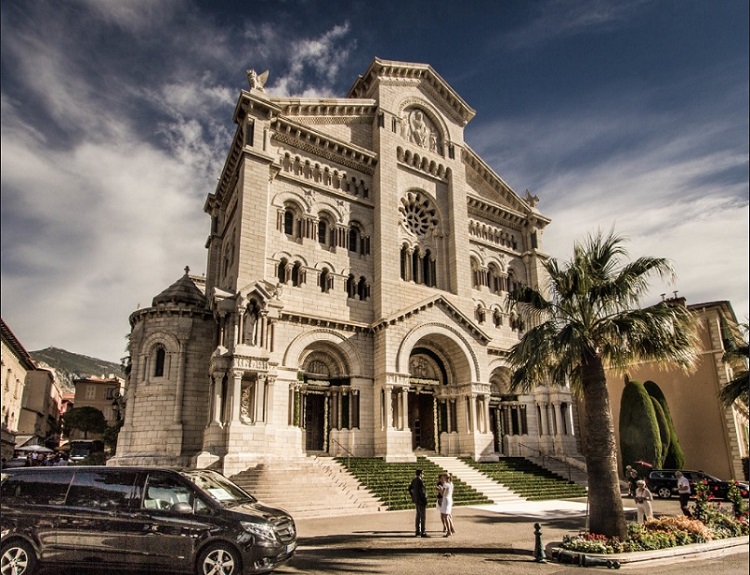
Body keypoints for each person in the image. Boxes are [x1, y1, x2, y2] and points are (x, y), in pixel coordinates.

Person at [408, 469, 429, 537]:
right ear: (420, 474)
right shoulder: (420, 481)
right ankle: (423, 531)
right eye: (422, 474)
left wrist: (413, 496)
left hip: (416, 500)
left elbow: (410, 489)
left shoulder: (414, 480)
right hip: (421, 501)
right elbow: (422, 492)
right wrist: (425, 500)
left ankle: (417, 531)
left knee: (418, 516)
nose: (423, 475)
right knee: (422, 517)